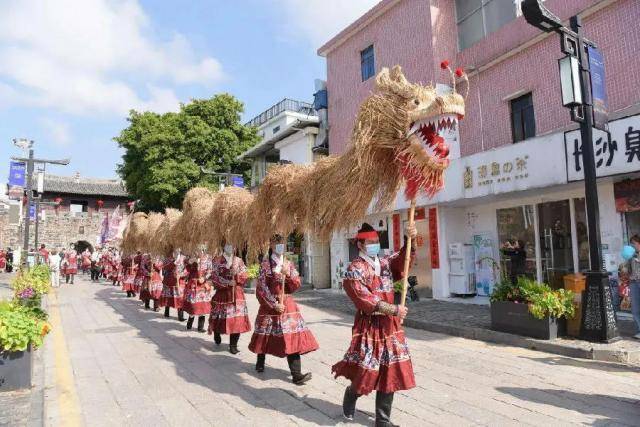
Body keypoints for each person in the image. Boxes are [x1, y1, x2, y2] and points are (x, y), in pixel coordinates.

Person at [332, 223, 416, 426]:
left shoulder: (385, 263)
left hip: (390, 327)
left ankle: (383, 419)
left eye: (377, 242)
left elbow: (403, 261)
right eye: (370, 242)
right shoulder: (355, 269)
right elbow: (363, 298)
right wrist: (394, 309)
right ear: (360, 244)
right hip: (369, 324)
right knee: (367, 370)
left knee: (391, 369)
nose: (375, 245)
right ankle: (352, 394)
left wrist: (409, 240)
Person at [248, 234, 318, 385]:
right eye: (277, 243)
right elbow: (261, 288)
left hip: (287, 304)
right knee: (265, 335)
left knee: (291, 336)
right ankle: (260, 360)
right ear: (271, 245)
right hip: (271, 305)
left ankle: (296, 374)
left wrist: (289, 275)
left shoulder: (288, 263)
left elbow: (296, 284)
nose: (280, 245)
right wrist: (273, 304)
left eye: (282, 243)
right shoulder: (266, 265)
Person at [209, 243, 251, 354]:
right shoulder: (217, 260)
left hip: (237, 294)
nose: (231, 247)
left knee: (237, 320)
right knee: (220, 318)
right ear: (223, 246)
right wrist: (227, 282)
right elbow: (214, 277)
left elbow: (245, 274)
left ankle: (233, 345)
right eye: (228, 244)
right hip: (222, 294)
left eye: (233, 245)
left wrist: (237, 275)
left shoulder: (238, 260)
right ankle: (216, 333)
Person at [183, 255, 212, 332]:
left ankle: (200, 327)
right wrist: (190, 261)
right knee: (193, 306)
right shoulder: (192, 257)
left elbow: (210, 270)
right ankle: (189, 324)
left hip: (203, 286)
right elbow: (187, 267)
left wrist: (204, 278)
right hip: (193, 285)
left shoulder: (208, 258)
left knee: (202, 306)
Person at [160, 249, 187, 321]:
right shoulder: (167, 259)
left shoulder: (184, 258)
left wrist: (181, 275)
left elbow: (187, 269)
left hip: (180, 281)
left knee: (180, 298)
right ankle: (166, 312)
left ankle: (180, 316)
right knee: (168, 297)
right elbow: (164, 268)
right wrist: (174, 263)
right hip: (169, 281)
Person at [627, 235, 640, 340]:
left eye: (633, 243)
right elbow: (628, 269)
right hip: (633, 283)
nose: (632, 245)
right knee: (635, 308)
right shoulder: (631, 255)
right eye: (631, 243)